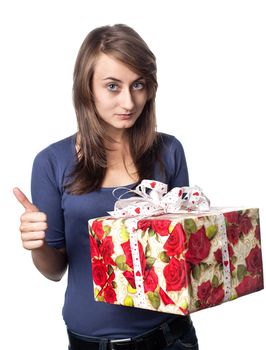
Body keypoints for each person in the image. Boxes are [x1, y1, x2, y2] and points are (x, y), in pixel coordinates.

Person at [13, 24, 199, 350]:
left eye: (138, 85)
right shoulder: (51, 162)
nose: (128, 101)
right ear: (88, 89)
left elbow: (182, 256)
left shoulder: (170, 151)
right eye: (112, 86)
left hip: (170, 336)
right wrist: (37, 244)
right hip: (91, 342)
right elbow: (54, 271)